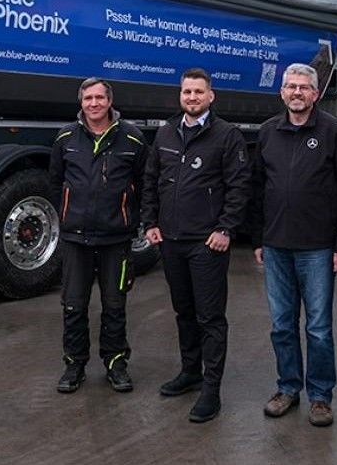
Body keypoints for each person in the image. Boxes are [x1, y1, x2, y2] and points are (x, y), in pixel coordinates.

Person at [249, 63, 337, 427]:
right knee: (281, 325)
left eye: (304, 87)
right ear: (281, 93)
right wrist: (258, 239)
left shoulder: (333, 131)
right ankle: (288, 388)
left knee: (318, 328)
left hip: (318, 248)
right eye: (290, 87)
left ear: (315, 94)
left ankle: (321, 396)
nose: (297, 92)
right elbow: (256, 190)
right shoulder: (267, 132)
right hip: (276, 246)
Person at [141, 68, 251, 423]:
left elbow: (239, 188)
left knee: (210, 318)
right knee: (184, 313)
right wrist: (151, 222)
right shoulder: (166, 132)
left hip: (207, 244)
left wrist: (225, 229)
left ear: (210, 96)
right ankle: (190, 372)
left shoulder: (226, 136)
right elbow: (151, 180)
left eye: (198, 92)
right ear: (180, 96)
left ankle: (211, 390)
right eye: (187, 92)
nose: (192, 97)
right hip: (171, 241)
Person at [50, 78, 148, 394]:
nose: (94, 104)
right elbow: (55, 181)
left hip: (115, 240)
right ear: (81, 103)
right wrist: (68, 213)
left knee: (114, 305)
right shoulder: (65, 137)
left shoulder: (131, 139)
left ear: (110, 101)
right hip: (75, 239)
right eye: (88, 98)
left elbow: (143, 184)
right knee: (74, 306)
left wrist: (131, 218)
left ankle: (116, 363)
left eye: (99, 98)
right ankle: (74, 365)